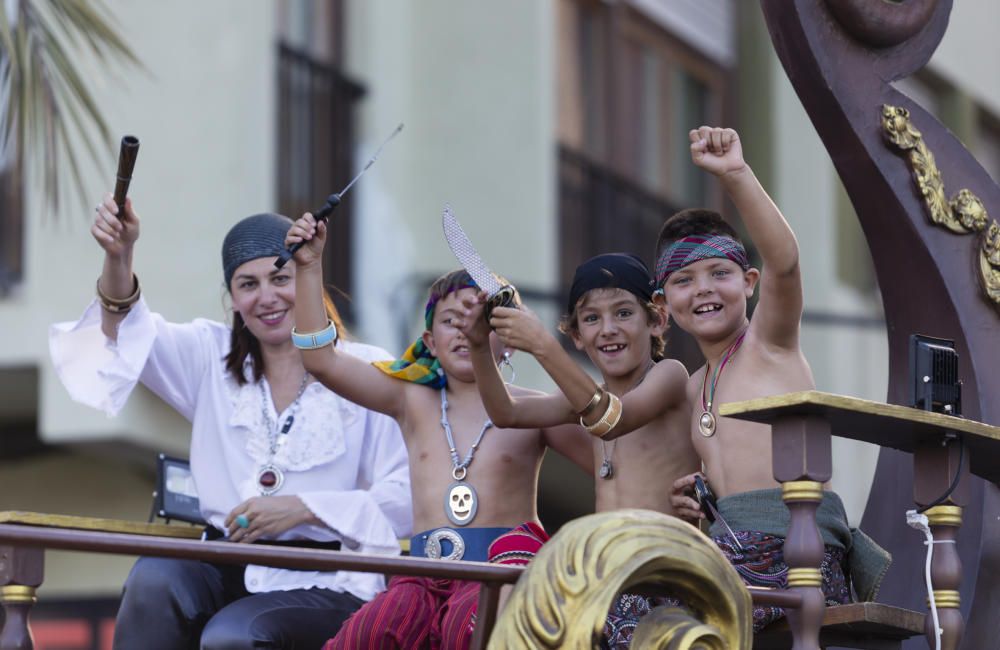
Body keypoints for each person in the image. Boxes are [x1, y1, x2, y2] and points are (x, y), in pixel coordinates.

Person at [49, 194, 412, 649]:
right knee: (154, 580)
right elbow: (127, 328)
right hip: (225, 563)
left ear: (307, 279)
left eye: (281, 278)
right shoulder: (210, 357)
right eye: (248, 284)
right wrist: (119, 255)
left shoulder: (369, 370)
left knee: (233, 636)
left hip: (333, 577)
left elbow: (409, 494)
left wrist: (305, 509)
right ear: (233, 297)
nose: (267, 297)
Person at [284, 213, 594, 649]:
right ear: (429, 342)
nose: (468, 331)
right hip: (423, 575)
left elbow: (610, 462)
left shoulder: (535, 408)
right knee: (370, 632)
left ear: (508, 343)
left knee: (472, 627)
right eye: (451, 321)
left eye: (482, 322)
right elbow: (321, 362)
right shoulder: (411, 400)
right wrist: (308, 267)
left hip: (499, 568)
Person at [658, 126, 888, 631]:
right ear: (665, 305)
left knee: (653, 617)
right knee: (619, 602)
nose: (703, 290)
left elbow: (785, 260)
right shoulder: (695, 385)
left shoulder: (769, 342)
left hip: (795, 562)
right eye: (683, 281)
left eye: (719, 273)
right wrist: (702, 494)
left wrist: (735, 174)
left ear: (749, 282)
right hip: (729, 557)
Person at [453, 252, 698, 647]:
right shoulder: (584, 400)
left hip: (664, 576)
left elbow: (612, 418)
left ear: (656, 320)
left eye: (623, 313)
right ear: (577, 337)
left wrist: (542, 346)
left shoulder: (669, 376)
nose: (607, 329)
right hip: (609, 580)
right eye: (591, 319)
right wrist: (480, 347)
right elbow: (506, 413)